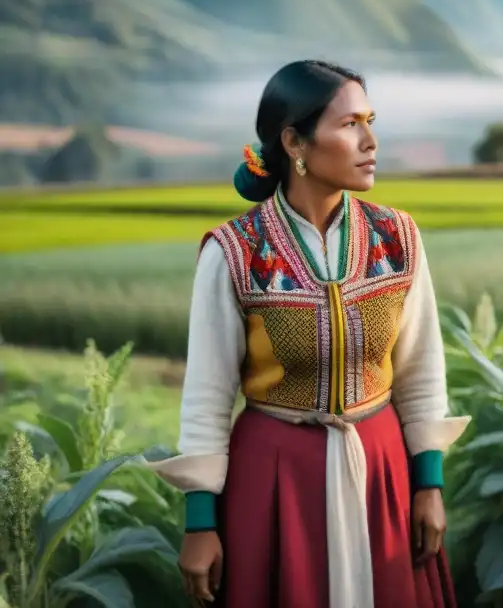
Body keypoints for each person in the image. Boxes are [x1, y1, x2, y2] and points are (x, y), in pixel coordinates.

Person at [148, 60, 470, 607]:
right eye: (349, 125)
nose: (370, 141)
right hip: (274, 479)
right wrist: (200, 523)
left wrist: (429, 484)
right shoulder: (235, 254)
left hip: (382, 474)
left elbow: (421, 371)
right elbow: (206, 398)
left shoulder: (397, 238)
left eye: (370, 121)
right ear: (294, 141)